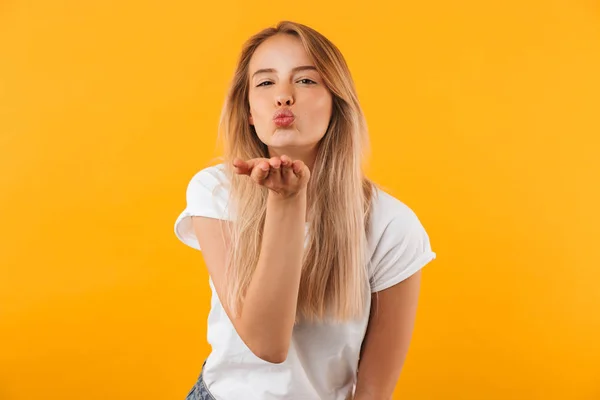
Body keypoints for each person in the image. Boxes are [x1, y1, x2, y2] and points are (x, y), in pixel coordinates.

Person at [175, 20, 437, 400]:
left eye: (306, 80)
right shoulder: (216, 191)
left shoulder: (391, 225)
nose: (283, 96)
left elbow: (374, 391)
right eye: (265, 83)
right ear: (248, 111)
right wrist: (286, 201)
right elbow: (267, 343)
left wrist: (289, 197)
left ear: (337, 103)